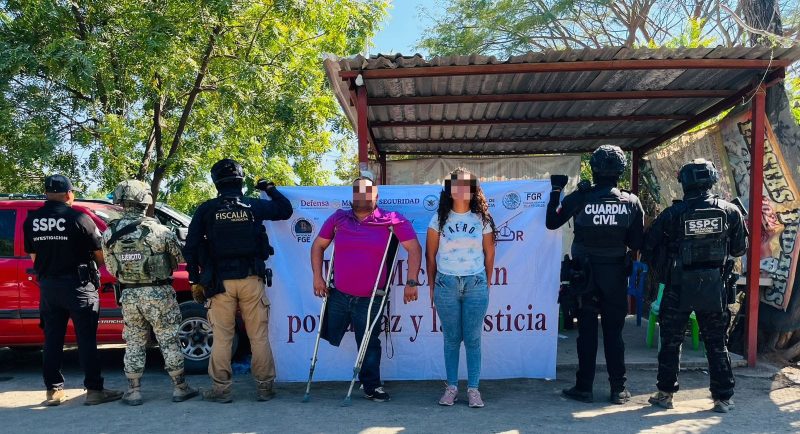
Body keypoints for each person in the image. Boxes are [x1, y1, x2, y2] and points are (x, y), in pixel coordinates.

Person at [642, 158, 747, 413]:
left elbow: (648, 247)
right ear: (711, 180)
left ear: (684, 183)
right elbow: (739, 249)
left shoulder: (672, 214)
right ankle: (723, 398)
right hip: (714, 287)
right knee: (716, 343)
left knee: (671, 341)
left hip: (678, 286)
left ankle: (665, 394)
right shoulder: (730, 212)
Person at [183, 158, 292, 403]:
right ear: (241, 181)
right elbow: (285, 210)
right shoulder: (253, 205)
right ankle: (265, 388)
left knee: (222, 337)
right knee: (258, 336)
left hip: (219, 284)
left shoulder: (207, 209)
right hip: (252, 280)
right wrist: (269, 188)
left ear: (216, 183)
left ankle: (221, 390)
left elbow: (190, 246)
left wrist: (194, 280)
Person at [545, 145, 645, 404]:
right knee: (614, 333)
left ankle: (584, 387)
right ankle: (618, 389)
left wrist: (556, 190)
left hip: (584, 276)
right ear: (620, 170)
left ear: (595, 168)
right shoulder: (631, 201)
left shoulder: (581, 197)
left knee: (587, 332)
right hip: (615, 276)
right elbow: (636, 243)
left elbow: (552, 222)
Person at [310, 175, 422, 402]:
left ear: (376, 196)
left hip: (372, 296)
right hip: (339, 293)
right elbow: (318, 245)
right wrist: (317, 277)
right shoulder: (339, 218)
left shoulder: (391, 219)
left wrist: (411, 282)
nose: (362, 195)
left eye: (367, 191)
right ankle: (319, 374)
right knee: (328, 334)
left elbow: (414, 248)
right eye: (358, 191)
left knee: (369, 341)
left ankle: (372, 386)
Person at [22, 174, 123, 406]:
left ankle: (53, 391)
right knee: (86, 339)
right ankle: (94, 391)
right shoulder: (79, 217)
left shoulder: (32, 220)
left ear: (46, 193)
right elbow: (100, 254)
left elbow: (34, 257)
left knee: (52, 339)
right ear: (69, 194)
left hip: (49, 287)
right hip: (79, 286)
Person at [102, 180, 198, 405]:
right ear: (145, 202)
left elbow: (111, 268)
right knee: (169, 340)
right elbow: (179, 258)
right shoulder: (160, 231)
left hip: (129, 296)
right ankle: (180, 388)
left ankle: (134, 391)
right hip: (159, 293)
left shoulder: (109, 233)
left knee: (134, 341)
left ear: (121, 201)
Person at [426, 168, 496, 408]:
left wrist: (486, 283)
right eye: (457, 185)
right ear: (450, 190)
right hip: (446, 283)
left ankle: (474, 389)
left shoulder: (482, 219)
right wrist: (432, 286)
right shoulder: (438, 219)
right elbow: (430, 256)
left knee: (473, 339)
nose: (461, 189)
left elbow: (489, 254)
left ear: (473, 189)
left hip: (475, 283)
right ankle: (452, 388)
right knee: (451, 339)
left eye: (466, 185)